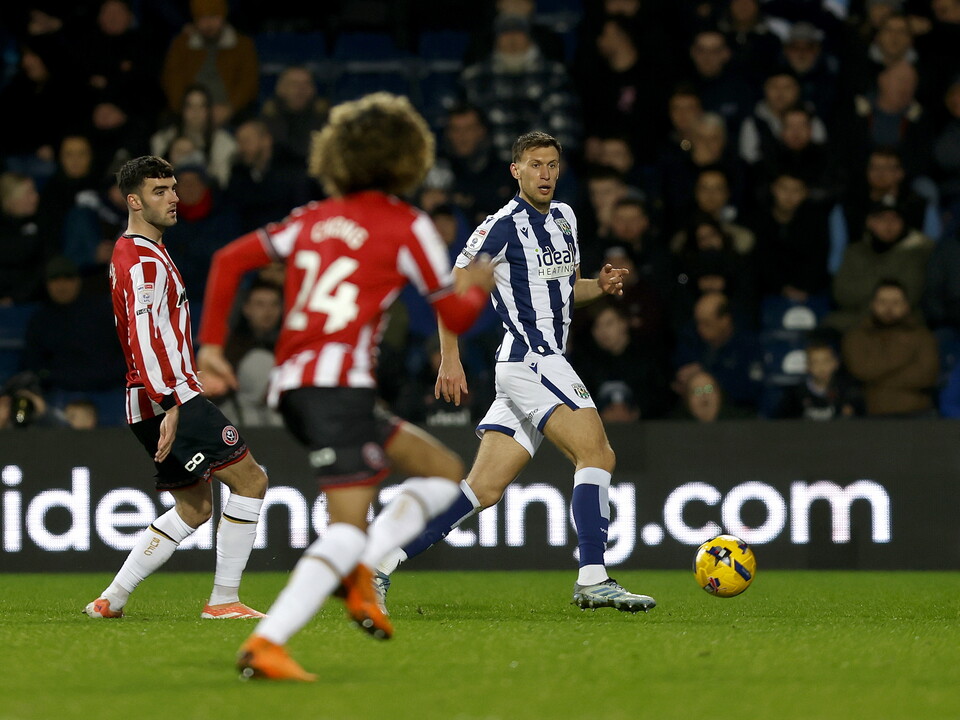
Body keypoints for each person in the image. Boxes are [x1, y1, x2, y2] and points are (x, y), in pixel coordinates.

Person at [195, 93, 493, 681]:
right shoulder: (408, 225)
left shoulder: (310, 217)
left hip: (298, 387)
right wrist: (478, 284)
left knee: (442, 471)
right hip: (338, 391)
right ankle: (268, 642)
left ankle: (357, 572)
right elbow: (455, 319)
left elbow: (228, 260)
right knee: (349, 528)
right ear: (409, 157)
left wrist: (208, 345)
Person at [376, 130, 656, 615]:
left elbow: (566, 291)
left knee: (481, 490)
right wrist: (450, 355)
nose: (545, 174)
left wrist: (599, 287)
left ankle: (377, 563)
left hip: (533, 364)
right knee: (597, 453)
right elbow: (453, 290)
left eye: (552, 165)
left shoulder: (566, 218)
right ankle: (592, 577)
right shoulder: (501, 226)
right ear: (516, 170)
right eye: (535, 165)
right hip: (532, 358)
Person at [83, 155, 269, 621]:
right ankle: (224, 600)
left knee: (193, 506)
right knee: (251, 481)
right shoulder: (142, 261)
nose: (173, 198)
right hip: (169, 400)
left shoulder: (138, 251)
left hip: (152, 400)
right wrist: (172, 401)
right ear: (133, 201)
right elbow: (146, 342)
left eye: (173, 188)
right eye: (159, 191)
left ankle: (113, 598)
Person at [842, 278, 939, 417]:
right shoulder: (857, 335)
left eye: (895, 303)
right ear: (872, 304)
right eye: (882, 302)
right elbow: (861, 370)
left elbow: (927, 376)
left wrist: (876, 382)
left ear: (906, 305)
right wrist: (904, 355)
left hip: (917, 415)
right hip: (869, 417)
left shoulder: (922, 335)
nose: (889, 308)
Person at [775, 336, 863, 420]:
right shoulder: (795, 395)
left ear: (836, 363)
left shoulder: (848, 391)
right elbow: (783, 422)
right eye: (815, 362)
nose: (821, 367)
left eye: (826, 361)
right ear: (808, 366)